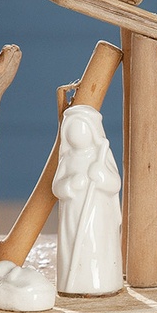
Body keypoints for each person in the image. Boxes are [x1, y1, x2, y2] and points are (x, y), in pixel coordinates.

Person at [53, 105, 123, 296]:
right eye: (72, 129)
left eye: (82, 128)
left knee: (97, 245)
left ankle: (103, 283)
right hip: (73, 215)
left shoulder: (101, 156)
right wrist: (70, 185)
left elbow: (115, 184)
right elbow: (57, 187)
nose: (77, 134)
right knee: (74, 247)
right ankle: (73, 285)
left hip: (98, 213)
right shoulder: (67, 158)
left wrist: (101, 176)